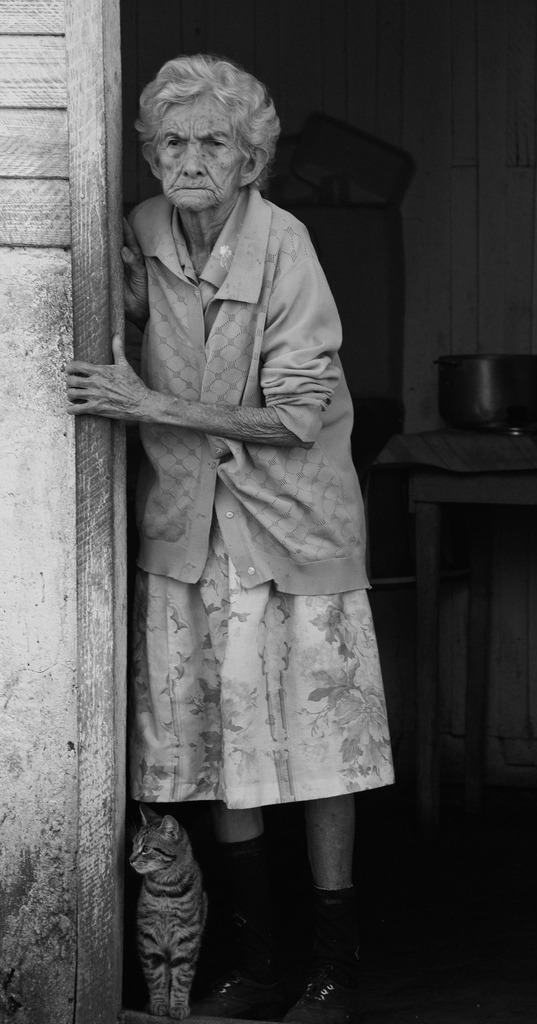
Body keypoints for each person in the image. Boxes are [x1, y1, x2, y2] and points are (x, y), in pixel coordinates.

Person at [66, 54, 394, 1024]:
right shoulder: (140, 233)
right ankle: (255, 963)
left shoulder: (284, 245)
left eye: (214, 141)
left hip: (290, 534)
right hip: (187, 534)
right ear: (150, 154)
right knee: (219, 745)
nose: (191, 158)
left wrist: (147, 401)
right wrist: (119, 308)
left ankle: (332, 968)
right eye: (172, 141)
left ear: (251, 159)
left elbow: (294, 414)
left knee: (318, 749)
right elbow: (117, 335)